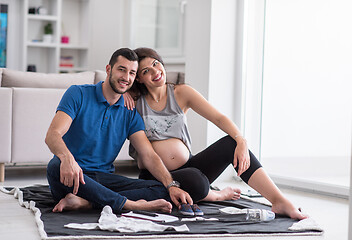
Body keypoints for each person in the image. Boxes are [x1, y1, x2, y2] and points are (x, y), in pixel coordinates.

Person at [125, 47, 307, 220]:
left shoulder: (181, 93)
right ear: (139, 79)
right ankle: (215, 195)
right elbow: (111, 84)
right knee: (196, 181)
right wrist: (124, 93)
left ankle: (278, 200)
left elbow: (219, 118)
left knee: (230, 144)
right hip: (156, 175)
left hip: (189, 165)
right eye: (146, 71)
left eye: (156, 64)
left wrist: (241, 140)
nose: (155, 71)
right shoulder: (134, 100)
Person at [45, 48, 193, 214]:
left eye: (132, 73)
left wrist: (171, 185)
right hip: (71, 176)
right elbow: (52, 135)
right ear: (108, 70)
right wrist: (67, 158)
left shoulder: (130, 113)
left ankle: (87, 202)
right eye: (121, 70)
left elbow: (148, 155)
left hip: (103, 179)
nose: (126, 77)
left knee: (160, 189)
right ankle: (130, 204)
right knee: (55, 165)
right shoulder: (77, 93)